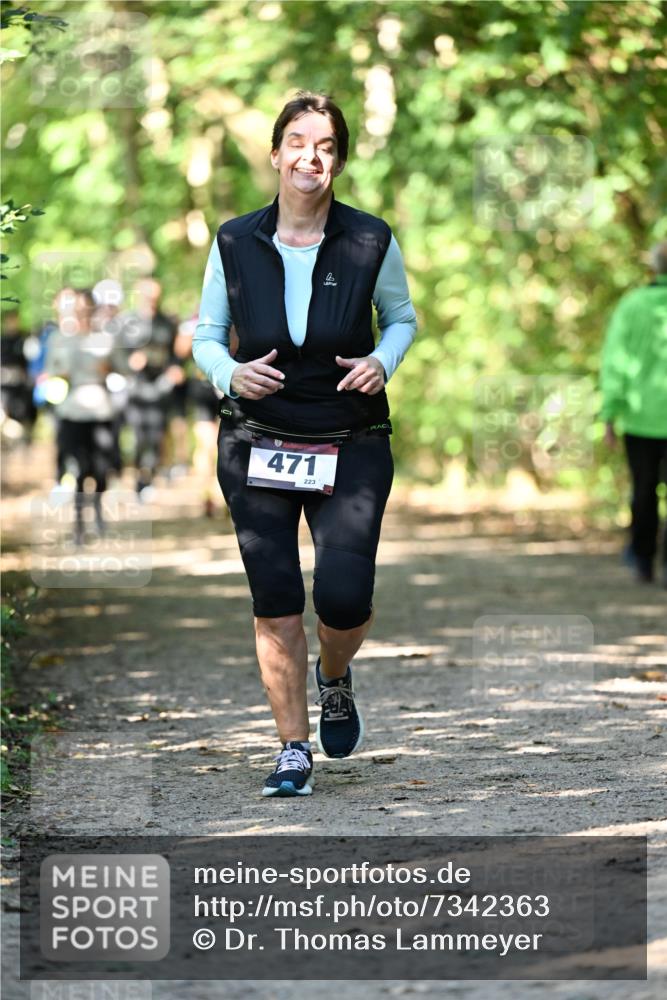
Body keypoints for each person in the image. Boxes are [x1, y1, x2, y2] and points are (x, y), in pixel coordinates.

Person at [193, 91, 417, 797]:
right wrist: (229, 372)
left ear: (338, 160)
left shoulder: (369, 239)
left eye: (323, 145)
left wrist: (384, 359)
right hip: (255, 438)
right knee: (276, 597)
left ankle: (334, 673)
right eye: (296, 141)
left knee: (344, 598)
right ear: (274, 153)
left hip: (349, 435)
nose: (308, 156)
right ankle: (292, 747)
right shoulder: (233, 239)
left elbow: (401, 318)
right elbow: (205, 333)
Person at [601, 239, 667, 586]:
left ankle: (643, 559)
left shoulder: (632, 306)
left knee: (643, 490)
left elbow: (615, 364)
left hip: (640, 420)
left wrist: (609, 413)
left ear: (653, 266)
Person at [43, 288, 117, 544]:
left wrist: (108, 370)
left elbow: (121, 370)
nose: (80, 313)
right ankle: (78, 524)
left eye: (85, 309)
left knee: (99, 468)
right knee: (76, 468)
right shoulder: (58, 340)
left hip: (100, 410)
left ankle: (97, 514)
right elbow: (50, 373)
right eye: (75, 309)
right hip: (71, 410)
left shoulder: (105, 339)